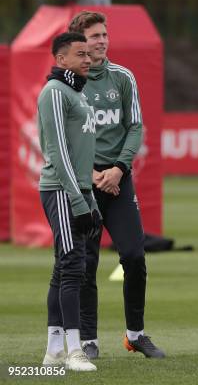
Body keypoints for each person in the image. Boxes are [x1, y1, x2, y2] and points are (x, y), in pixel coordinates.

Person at [68, 11, 165, 359]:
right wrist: (90, 174)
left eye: (104, 34)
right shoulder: (67, 84)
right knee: (85, 264)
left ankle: (135, 334)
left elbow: (135, 126)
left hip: (118, 181)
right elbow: (61, 136)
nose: (102, 41)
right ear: (80, 42)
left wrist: (119, 169)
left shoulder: (123, 78)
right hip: (84, 183)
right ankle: (88, 340)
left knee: (134, 256)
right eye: (94, 36)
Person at [39, 32, 102, 372]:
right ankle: (75, 348)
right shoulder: (54, 92)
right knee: (74, 265)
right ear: (61, 60)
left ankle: (53, 351)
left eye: (88, 53)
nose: (88, 59)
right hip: (62, 191)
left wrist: (87, 195)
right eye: (80, 54)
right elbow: (58, 151)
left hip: (78, 190)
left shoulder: (76, 91)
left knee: (64, 267)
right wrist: (78, 201)